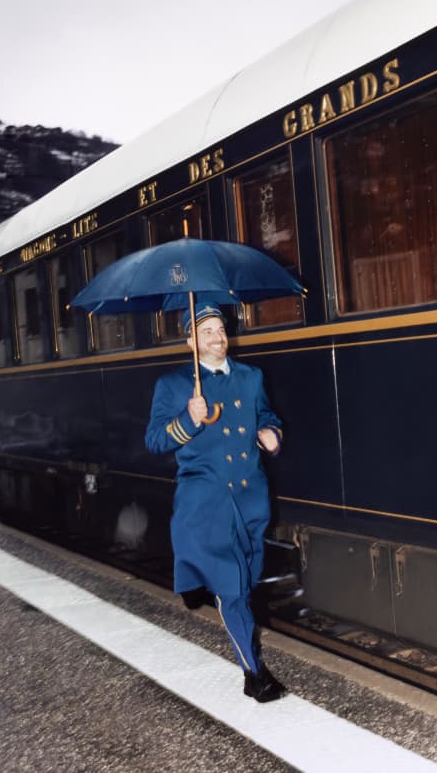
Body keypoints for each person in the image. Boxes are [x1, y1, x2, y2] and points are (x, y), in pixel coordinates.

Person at [145, 301, 286, 703]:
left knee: (248, 579)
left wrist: (271, 434)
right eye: (206, 332)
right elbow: (154, 440)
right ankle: (254, 674)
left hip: (251, 498)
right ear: (190, 340)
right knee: (234, 588)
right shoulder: (174, 386)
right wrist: (188, 420)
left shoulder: (250, 377)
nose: (217, 337)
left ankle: (208, 585)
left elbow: (265, 415)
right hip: (207, 501)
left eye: (221, 329)